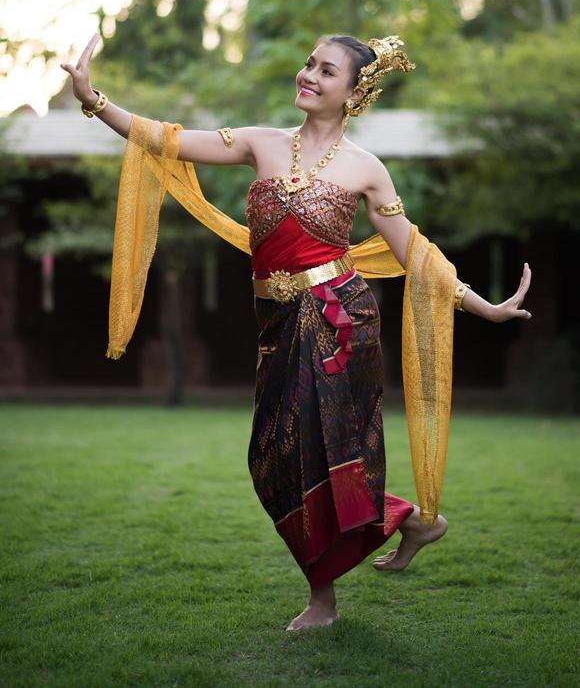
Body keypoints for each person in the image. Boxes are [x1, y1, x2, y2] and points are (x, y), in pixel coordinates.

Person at [61, 31, 532, 631]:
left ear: (354, 92)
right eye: (309, 63)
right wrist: (94, 99)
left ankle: (323, 601)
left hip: (340, 323)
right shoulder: (259, 143)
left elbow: (413, 251)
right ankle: (413, 522)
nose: (307, 74)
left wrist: (482, 306)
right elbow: (166, 139)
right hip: (277, 325)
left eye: (326, 71)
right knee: (271, 458)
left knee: (325, 457)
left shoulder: (367, 170)